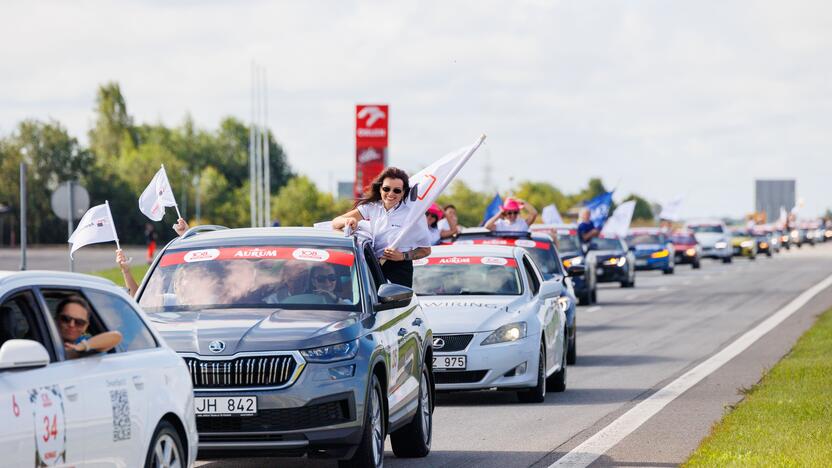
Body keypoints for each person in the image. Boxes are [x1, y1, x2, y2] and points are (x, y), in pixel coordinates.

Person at [331, 167, 432, 288]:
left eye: (397, 191)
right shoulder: (372, 207)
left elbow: (426, 250)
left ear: (404, 192)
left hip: (399, 269)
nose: (390, 194)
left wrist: (403, 256)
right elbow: (335, 222)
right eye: (386, 189)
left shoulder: (415, 215)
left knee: (396, 306)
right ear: (380, 189)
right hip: (372, 264)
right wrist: (349, 220)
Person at [118, 218, 189, 297]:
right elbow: (137, 298)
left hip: (152, 244)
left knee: (151, 253)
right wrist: (126, 271)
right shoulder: (165, 300)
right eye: (156, 281)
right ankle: (149, 260)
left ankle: (149, 259)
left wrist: (186, 239)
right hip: (151, 244)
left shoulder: (172, 299)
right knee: (150, 253)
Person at [56, 295, 122, 359]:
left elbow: (116, 336)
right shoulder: (46, 342)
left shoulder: (84, 341)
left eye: (79, 322)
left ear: (86, 326)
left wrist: (81, 347)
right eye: (66, 319)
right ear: (56, 319)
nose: (71, 325)